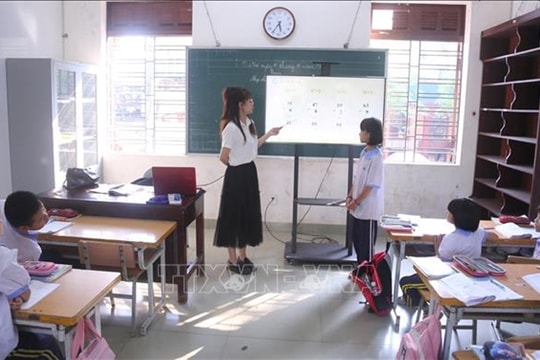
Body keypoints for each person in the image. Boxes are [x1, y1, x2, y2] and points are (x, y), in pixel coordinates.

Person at [214, 87, 281, 275]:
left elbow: (253, 147)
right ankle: (233, 259)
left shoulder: (249, 122)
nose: (253, 103)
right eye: (250, 101)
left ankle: (243, 256)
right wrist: (235, 167)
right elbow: (223, 157)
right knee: (233, 217)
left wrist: (268, 134)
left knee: (247, 215)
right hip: (236, 175)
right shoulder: (231, 128)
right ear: (240, 105)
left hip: (250, 173)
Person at [399, 197, 496, 307]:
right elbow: (493, 236)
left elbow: (440, 261)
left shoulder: (451, 239)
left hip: (447, 280)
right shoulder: (479, 233)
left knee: (405, 282)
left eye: (449, 212)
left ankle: (416, 305)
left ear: (456, 218)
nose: (447, 213)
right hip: (469, 278)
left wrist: (437, 247)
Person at [0, 220, 63, 360]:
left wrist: (11, 293)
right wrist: (18, 295)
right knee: (48, 348)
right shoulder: (2, 257)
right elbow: (24, 291)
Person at [346, 117, 384, 268]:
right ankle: (359, 271)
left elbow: (370, 186)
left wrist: (356, 202)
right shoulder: (364, 153)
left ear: (369, 134)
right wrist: (349, 196)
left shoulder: (377, 158)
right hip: (357, 206)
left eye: (362, 131)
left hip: (367, 209)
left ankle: (368, 275)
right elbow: (357, 179)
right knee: (356, 239)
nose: (360, 133)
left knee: (366, 245)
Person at [0, 191, 49, 263]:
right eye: (41, 219)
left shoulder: (7, 205)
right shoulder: (28, 253)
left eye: (43, 208)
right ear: (24, 228)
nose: (46, 215)